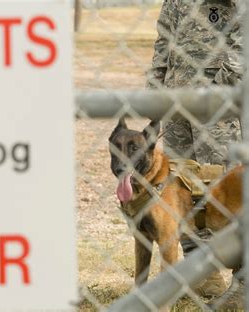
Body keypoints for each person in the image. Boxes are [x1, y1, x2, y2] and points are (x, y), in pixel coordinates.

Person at [146, 0, 244, 308]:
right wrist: (155, 91)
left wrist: (218, 87)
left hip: (216, 107)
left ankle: (242, 281)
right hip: (176, 104)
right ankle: (204, 273)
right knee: (183, 191)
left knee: (228, 194)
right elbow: (164, 41)